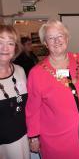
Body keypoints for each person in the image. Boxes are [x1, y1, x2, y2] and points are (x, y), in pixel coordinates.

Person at [25, 19, 79, 159]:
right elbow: (32, 109)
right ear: (45, 43)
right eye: (51, 38)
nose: (56, 41)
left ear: (67, 37)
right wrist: (33, 137)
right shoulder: (37, 73)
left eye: (60, 36)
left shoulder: (78, 59)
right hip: (56, 135)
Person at [0, 24, 30, 159]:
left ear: (15, 48)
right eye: (0, 42)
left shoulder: (20, 70)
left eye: (10, 43)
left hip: (23, 140)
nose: (5, 48)